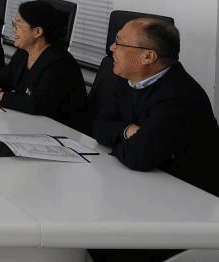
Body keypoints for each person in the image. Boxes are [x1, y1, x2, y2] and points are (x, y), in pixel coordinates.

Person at [93, 18, 219, 196]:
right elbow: (98, 127)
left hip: (187, 195)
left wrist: (119, 140)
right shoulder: (129, 79)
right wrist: (127, 132)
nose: (112, 48)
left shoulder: (181, 96)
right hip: (144, 183)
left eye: (120, 43)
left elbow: (138, 157)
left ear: (148, 57)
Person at [0, 0, 87, 130]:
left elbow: (37, 103)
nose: (14, 29)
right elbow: (2, 77)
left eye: (18, 25)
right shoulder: (23, 53)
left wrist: (1, 96)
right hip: (28, 125)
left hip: (60, 133)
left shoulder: (60, 64)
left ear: (37, 32)